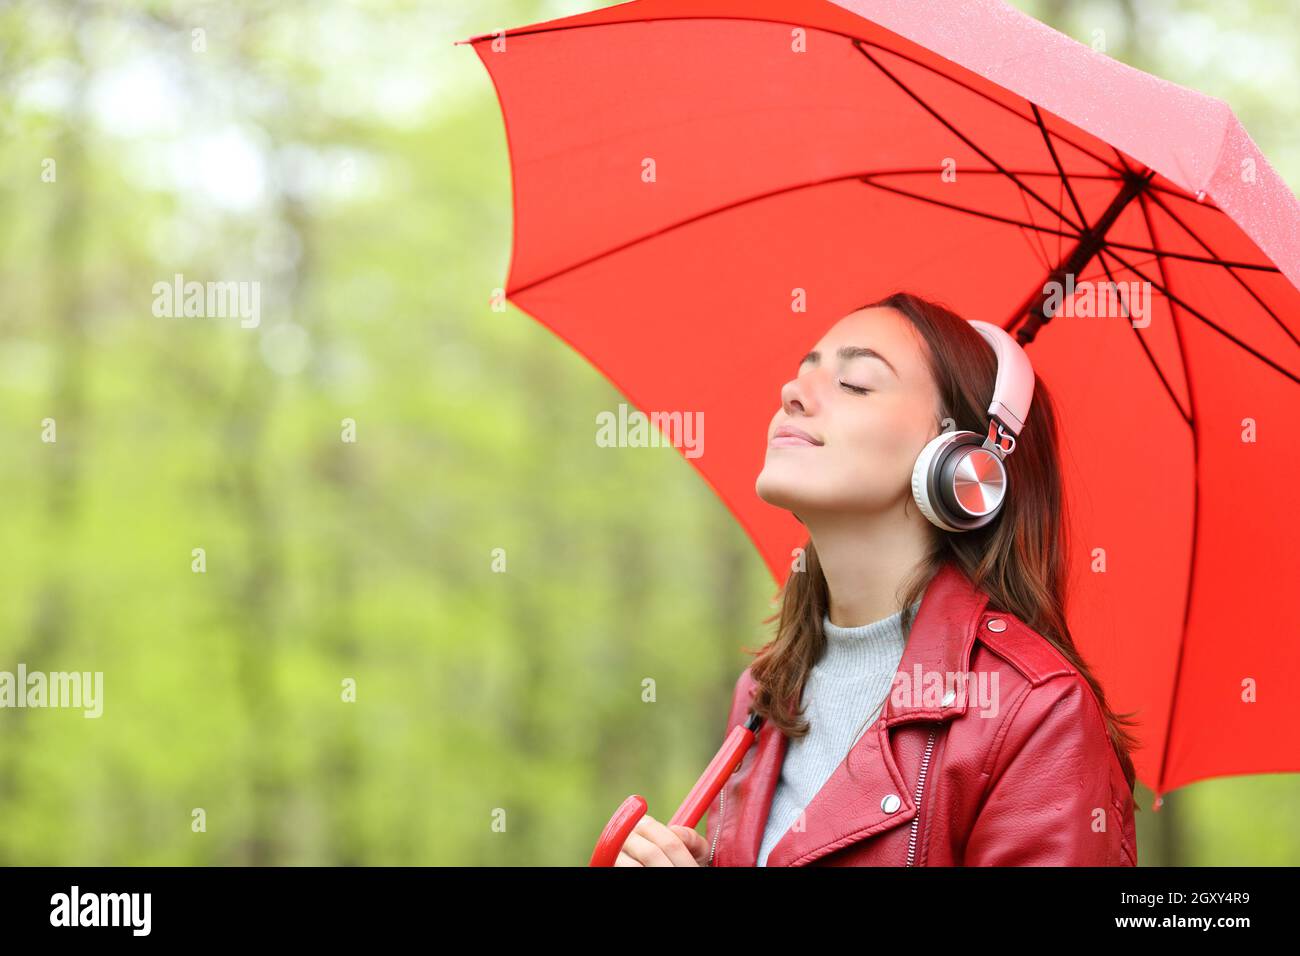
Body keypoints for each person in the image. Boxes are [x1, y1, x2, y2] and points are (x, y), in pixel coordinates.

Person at [615, 291, 1140, 867]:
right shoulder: (765, 694)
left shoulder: (1037, 714)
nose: (792, 394)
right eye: (801, 373)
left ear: (962, 466)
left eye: (856, 383)